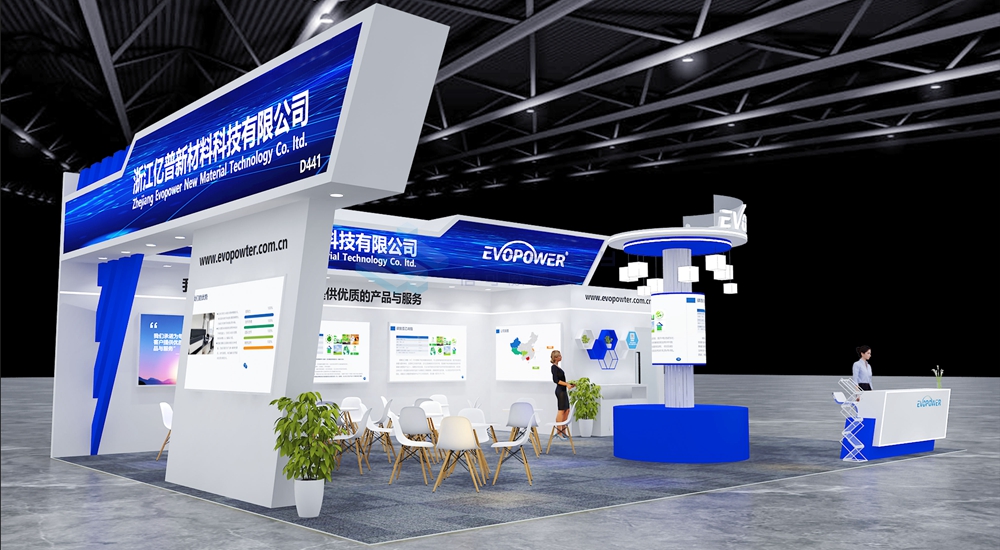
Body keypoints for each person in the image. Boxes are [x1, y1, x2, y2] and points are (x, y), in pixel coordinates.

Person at [551, 350, 575, 440]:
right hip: (560, 391)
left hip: (563, 390)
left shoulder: (558, 367)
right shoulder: (554, 367)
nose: (561, 357)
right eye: (559, 356)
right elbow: (556, 380)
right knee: (561, 411)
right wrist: (567, 384)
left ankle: (564, 431)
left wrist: (569, 384)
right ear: (555, 358)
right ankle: (559, 432)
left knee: (567, 410)